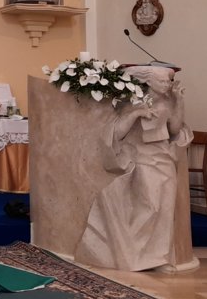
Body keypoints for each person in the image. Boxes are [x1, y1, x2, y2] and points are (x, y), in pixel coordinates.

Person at [75, 66, 193, 271]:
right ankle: (138, 254)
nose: (167, 85)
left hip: (164, 158)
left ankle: (159, 258)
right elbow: (117, 133)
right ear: (148, 82)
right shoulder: (133, 100)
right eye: (162, 81)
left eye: (168, 81)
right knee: (150, 206)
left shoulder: (168, 101)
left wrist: (179, 101)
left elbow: (174, 128)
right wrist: (137, 113)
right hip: (143, 158)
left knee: (165, 210)